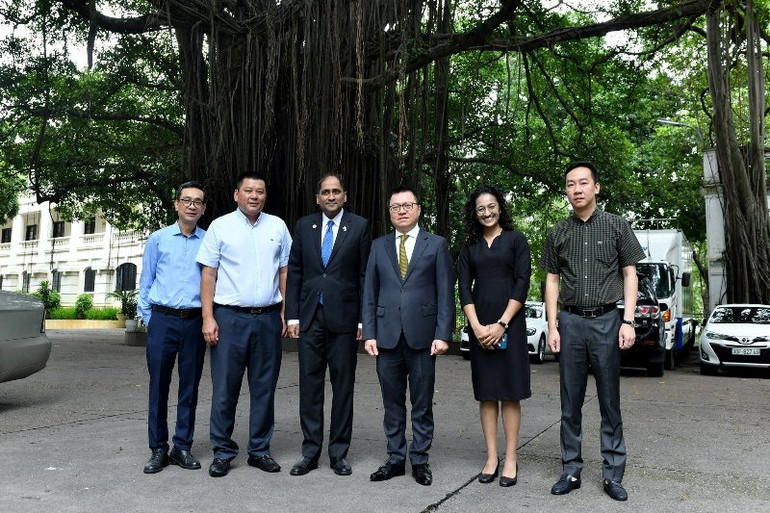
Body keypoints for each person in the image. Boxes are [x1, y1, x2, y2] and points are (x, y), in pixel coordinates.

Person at [541, 161, 645, 502]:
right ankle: (571, 470)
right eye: (571, 184)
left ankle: (613, 474)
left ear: (596, 188)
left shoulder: (617, 226)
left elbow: (630, 274)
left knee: (609, 401)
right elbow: (552, 281)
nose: (577, 189)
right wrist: (552, 325)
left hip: (606, 321)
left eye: (583, 183)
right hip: (569, 323)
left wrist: (627, 321)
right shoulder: (557, 232)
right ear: (566, 191)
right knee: (570, 402)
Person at [195, 171, 292, 478]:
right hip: (229, 318)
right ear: (236, 194)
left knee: (264, 388)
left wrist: (284, 313)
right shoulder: (220, 226)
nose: (254, 196)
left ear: (265, 196)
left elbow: (285, 272)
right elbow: (208, 274)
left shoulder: (277, 226)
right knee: (225, 389)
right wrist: (208, 317)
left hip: (266, 319)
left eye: (260, 191)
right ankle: (222, 451)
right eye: (248, 190)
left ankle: (259, 450)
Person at [362, 185, 455, 487]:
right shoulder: (378, 246)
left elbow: (445, 292)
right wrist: (369, 333)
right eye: (395, 206)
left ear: (418, 209)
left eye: (407, 205)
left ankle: (420, 460)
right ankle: (394, 458)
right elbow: (369, 292)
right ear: (389, 212)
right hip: (386, 336)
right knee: (391, 402)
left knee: (422, 402)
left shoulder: (436, 244)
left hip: (424, 337)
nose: (401, 210)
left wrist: (443, 333)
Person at [285, 174, 372, 477]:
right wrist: (292, 316)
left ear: (344, 196)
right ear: (317, 197)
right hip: (310, 318)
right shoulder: (304, 226)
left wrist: (364, 319)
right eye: (325, 192)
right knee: (309, 387)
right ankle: (310, 452)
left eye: (336, 191)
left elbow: (364, 275)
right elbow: (295, 271)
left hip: (345, 320)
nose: (331, 196)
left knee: (343, 387)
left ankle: (338, 453)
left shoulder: (359, 226)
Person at [457, 184, 531, 488]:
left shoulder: (516, 241)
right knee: (487, 394)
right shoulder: (469, 248)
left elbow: (522, 282)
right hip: (480, 327)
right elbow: (463, 288)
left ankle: (510, 458)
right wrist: (475, 327)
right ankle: (491, 457)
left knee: (510, 393)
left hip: (510, 325)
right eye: (480, 209)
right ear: (474, 214)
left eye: (491, 206)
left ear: (500, 207)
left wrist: (502, 323)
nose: (486, 213)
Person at [138, 181, 208, 474]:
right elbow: (146, 281)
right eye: (187, 200)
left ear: (203, 208)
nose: (192, 205)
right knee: (159, 386)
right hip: (162, 319)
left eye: (198, 202)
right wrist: (150, 318)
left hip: (194, 320)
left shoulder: (209, 240)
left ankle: (182, 447)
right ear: (177, 204)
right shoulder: (158, 239)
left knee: (189, 387)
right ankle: (158, 448)